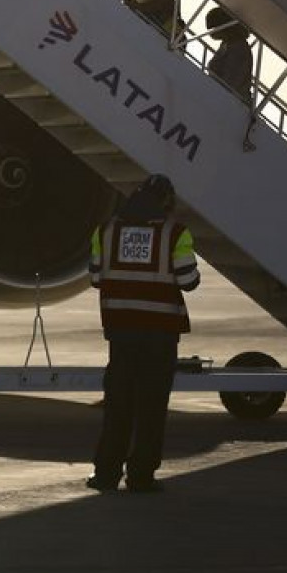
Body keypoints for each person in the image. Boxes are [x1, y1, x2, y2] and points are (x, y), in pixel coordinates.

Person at [86, 174, 199, 493]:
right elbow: (188, 280)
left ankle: (106, 474)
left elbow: (95, 277)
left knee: (118, 405)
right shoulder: (174, 233)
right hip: (159, 333)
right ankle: (141, 476)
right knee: (151, 408)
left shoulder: (107, 231)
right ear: (166, 202)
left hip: (121, 332)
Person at [204, 7, 258, 152]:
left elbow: (232, 81)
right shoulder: (227, 44)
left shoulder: (239, 48)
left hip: (232, 102)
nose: (212, 33)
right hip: (225, 98)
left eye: (214, 28)